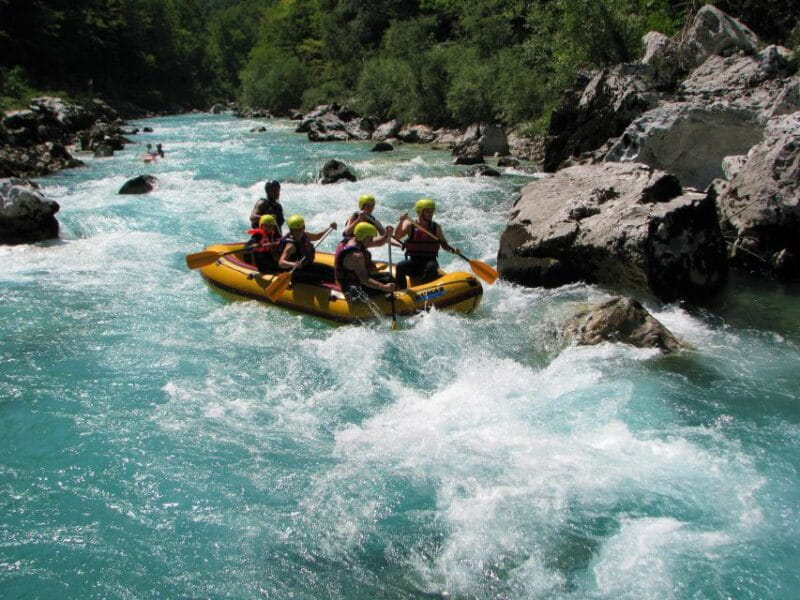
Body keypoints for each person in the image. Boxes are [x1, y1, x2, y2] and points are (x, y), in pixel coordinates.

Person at [394, 198, 459, 290]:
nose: (431, 214)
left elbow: (444, 245)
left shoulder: (435, 227)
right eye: (428, 212)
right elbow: (397, 236)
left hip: (430, 261)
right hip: (414, 262)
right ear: (420, 212)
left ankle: (423, 291)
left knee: (431, 267)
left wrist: (453, 250)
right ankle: (401, 291)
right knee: (400, 266)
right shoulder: (411, 225)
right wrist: (401, 222)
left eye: (432, 212)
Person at [334, 222, 396, 301]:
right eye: (370, 238)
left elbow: (378, 243)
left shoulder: (352, 240)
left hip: (356, 279)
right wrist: (384, 287)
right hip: (352, 287)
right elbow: (364, 279)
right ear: (364, 237)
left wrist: (387, 235)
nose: (372, 240)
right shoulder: (356, 256)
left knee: (388, 276)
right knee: (387, 281)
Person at [278, 214, 336, 284]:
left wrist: (329, 228)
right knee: (324, 276)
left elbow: (317, 236)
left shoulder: (305, 234)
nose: (299, 232)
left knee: (331, 271)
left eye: (301, 229)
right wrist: (293, 264)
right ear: (291, 231)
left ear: (304, 227)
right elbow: (281, 262)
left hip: (306, 266)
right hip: (297, 272)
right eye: (296, 230)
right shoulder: (290, 246)